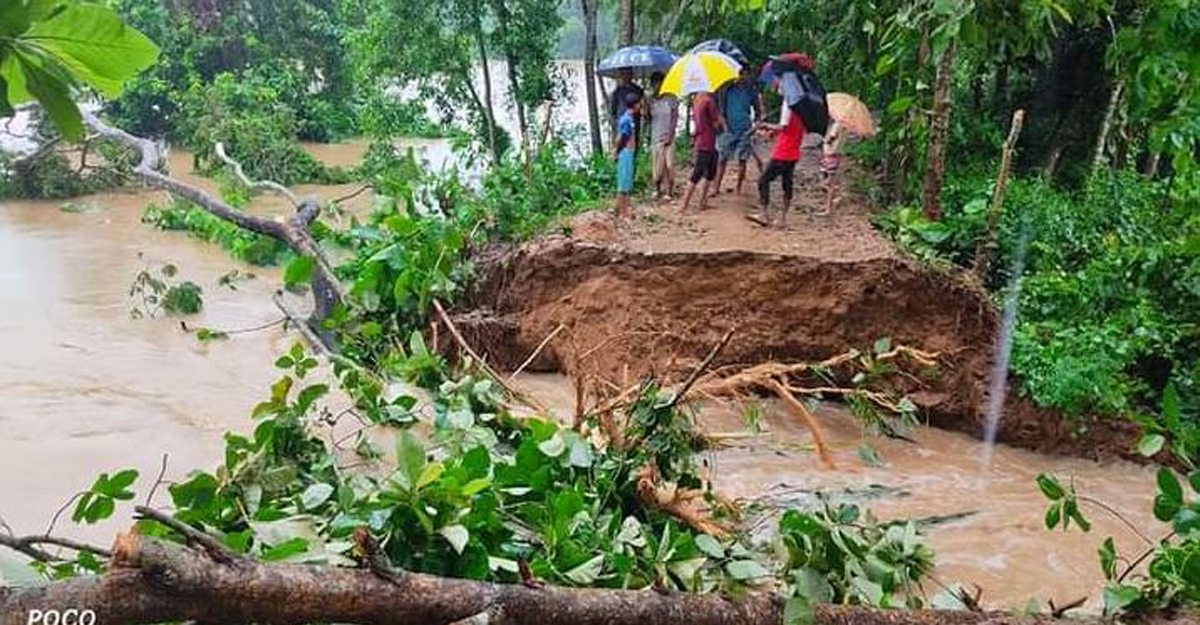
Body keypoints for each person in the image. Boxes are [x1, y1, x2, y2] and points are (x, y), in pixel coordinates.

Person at [713, 67, 763, 196]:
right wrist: (723, 125)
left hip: (745, 130)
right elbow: (720, 109)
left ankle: (739, 189)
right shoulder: (727, 90)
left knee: (742, 160)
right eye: (741, 74)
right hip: (728, 130)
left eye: (745, 74)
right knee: (722, 159)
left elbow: (758, 112)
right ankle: (716, 188)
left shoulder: (751, 92)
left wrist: (756, 125)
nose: (743, 77)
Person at [754, 104, 805, 228]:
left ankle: (764, 215)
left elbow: (784, 126)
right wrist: (775, 132)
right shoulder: (803, 112)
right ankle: (783, 218)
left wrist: (766, 125)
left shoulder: (788, 106)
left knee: (763, 181)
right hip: (794, 153)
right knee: (787, 185)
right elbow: (788, 129)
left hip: (783, 153)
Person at [677, 90, 724, 214]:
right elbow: (715, 123)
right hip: (708, 140)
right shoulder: (708, 101)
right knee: (699, 173)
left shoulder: (697, 100)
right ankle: (684, 205)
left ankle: (701, 202)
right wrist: (721, 121)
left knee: (709, 172)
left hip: (702, 140)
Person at [646, 72, 679, 200]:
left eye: (659, 83)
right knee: (657, 166)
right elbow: (648, 119)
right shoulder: (650, 100)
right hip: (656, 136)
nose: (657, 86)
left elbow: (675, 117)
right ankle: (657, 189)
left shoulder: (671, 98)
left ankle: (669, 191)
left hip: (669, 135)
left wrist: (670, 134)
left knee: (669, 165)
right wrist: (646, 109)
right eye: (654, 83)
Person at [614, 92, 642, 221]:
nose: (640, 106)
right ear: (635, 104)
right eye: (639, 103)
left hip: (628, 152)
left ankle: (623, 210)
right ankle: (622, 213)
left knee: (626, 183)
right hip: (625, 152)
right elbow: (622, 137)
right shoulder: (626, 120)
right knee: (623, 185)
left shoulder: (629, 118)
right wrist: (617, 151)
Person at [610, 68, 645, 155]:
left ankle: (633, 161)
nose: (626, 76)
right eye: (623, 74)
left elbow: (643, 106)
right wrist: (615, 124)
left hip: (635, 121)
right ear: (620, 75)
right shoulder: (617, 91)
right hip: (622, 120)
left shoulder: (638, 90)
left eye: (628, 73)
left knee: (633, 146)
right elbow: (613, 110)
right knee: (622, 144)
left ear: (632, 74)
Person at [819, 120, 847, 215]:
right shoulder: (844, 126)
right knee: (829, 181)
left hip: (830, 154)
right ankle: (831, 202)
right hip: (836, 154)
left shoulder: (837, 124)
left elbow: (831, 137)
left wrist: (825, 140)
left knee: (828, 182)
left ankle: (829, 207)